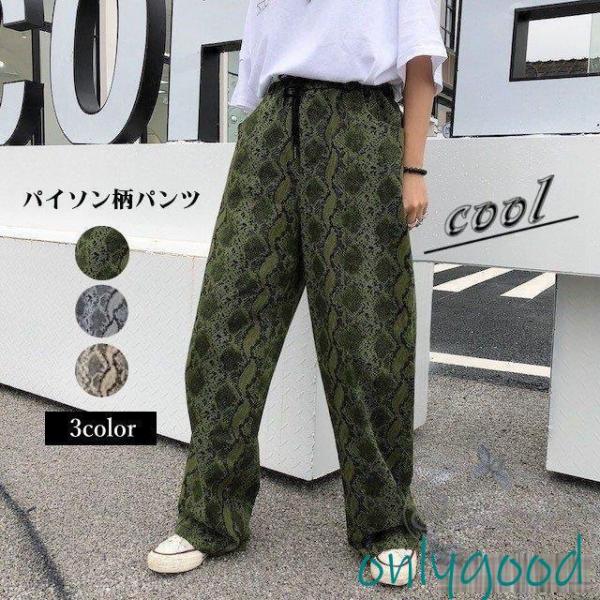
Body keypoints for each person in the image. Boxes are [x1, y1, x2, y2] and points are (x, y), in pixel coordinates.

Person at [147, 0, 447, 587]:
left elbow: (420, 61)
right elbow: (259, 71)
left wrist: (413, 168)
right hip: (271, 128)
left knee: (367, 335)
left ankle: (386, 525)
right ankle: (210, 515)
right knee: (227, 323)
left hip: (358, 127)